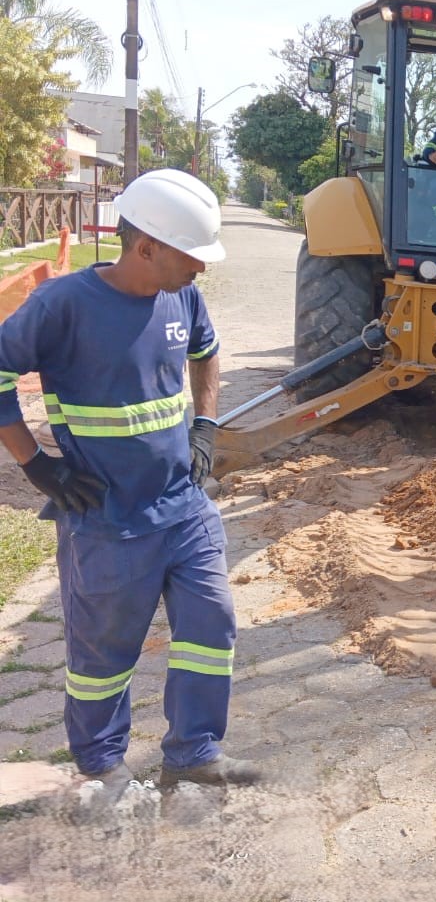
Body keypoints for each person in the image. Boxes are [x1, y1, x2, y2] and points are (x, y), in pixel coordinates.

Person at [0, 168, 260, 801]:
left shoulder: (184, 297)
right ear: (147, 247)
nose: (201, 268)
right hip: (106, 517)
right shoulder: (62, 306)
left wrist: (205, 423)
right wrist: (35, 463)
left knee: (211, 626)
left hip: (183, 507)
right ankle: (100, 767)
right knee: (104, 655)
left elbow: (207, 351)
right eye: (192, 255)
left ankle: (193, 756)